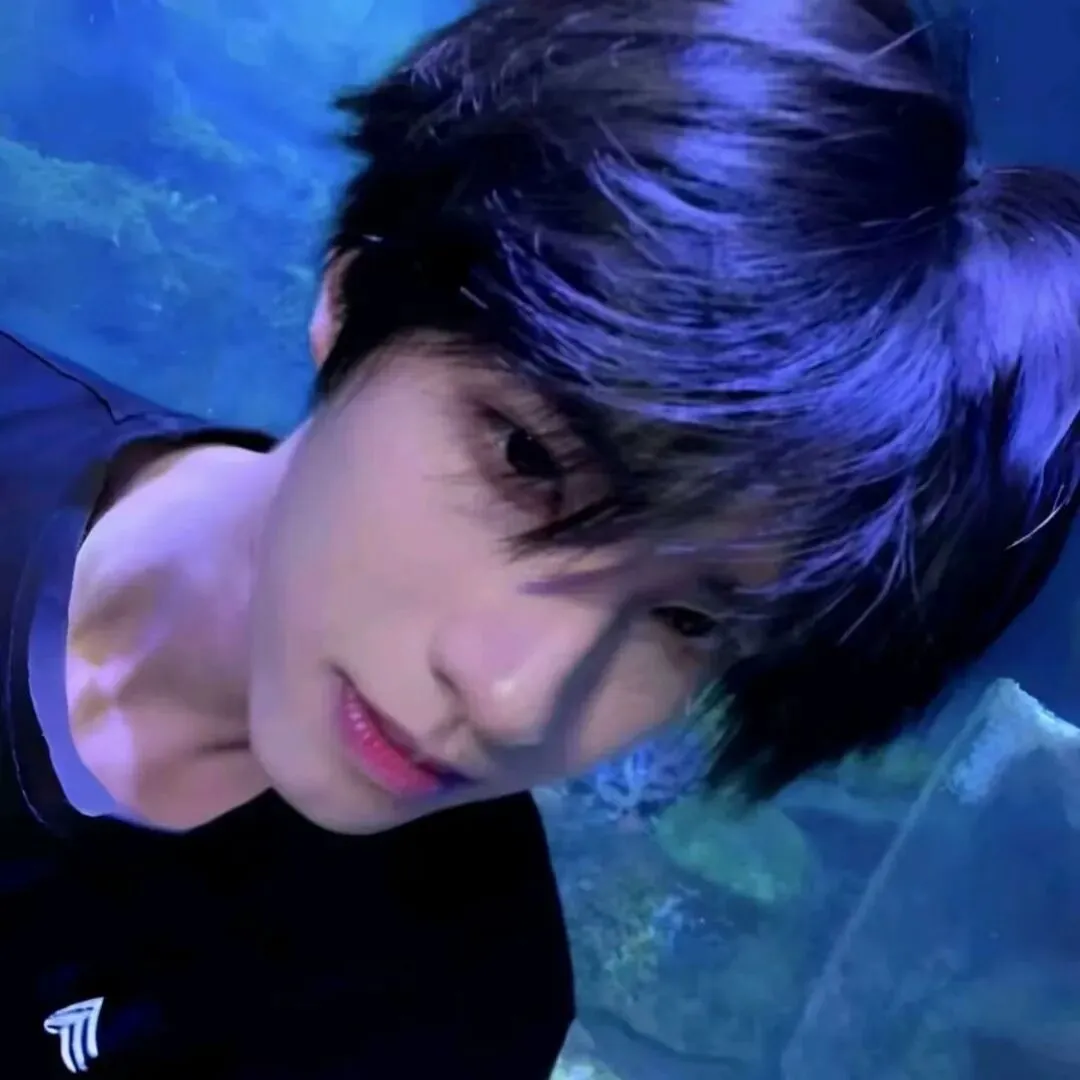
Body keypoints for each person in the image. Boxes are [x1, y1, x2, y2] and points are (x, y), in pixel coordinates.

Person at [1, 0, 1077, 1076]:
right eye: (526, 461)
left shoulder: (448, 1006)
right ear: (359, 288)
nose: (515, 696)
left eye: (689, 619)